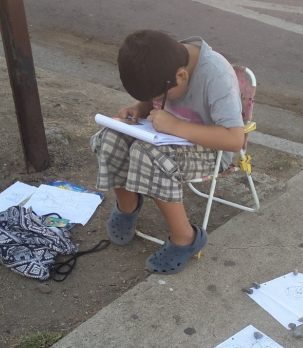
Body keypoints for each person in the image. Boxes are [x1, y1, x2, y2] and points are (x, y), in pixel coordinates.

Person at [90, 29, 244, 274]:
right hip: (165, 135)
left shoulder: (216, 75)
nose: (157, 100)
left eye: (159, 96)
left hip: (211, 150)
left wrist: (177, 126)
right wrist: (139, 107)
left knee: (147, 153)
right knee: (111, 137)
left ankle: (185, 237)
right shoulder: (162, 59)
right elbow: (153, 98)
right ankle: (128, 205)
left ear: (181, 75)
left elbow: (235, 140)